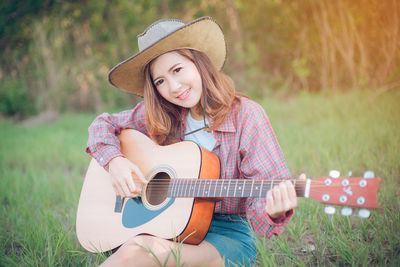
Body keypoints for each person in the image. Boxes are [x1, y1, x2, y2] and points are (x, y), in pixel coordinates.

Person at [86, 16, 304, 267]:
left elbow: (261, 199)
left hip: (224, 235)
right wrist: (116, 162)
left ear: (199, 62)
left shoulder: (247, 116)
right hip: (167, 226)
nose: (174, 87)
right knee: (137, 249)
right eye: (160, 81)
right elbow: (102, 125)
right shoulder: (165, 116)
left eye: (177, 70)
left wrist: (272, 210)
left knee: (137, 251)